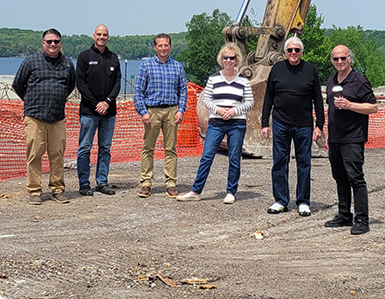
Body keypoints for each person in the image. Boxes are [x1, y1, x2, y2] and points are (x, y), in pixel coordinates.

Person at [177, 43, 254, 204]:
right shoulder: (214, 78)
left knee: (234, 158)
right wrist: (218, 110)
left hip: (237, 123)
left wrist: (234, 111)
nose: (228, 60)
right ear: (221, 59)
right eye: (225, 57)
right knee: (207, 156)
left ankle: (231, 192)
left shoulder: (243, 80)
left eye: (232, 58)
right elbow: (207, 99)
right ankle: (196, 191)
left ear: (236, 60)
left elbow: (249, 102)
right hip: (216, 123)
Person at [261, 36, 324, 217]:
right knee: (279, 163)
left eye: (297, 50)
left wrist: (319, 125)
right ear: (285, 53)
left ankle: (303, 201)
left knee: (304, 163)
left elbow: (318, 100)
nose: (293, 53)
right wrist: (265, 123)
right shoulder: (277, 69)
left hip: (303, 125)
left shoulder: (310, 70)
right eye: (290, 50)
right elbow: (268, 98)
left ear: (301, 52)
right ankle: (281, 200)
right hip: (280, 123)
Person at [12, 29, 76, 205]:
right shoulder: (31, 62)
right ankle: (34, 191)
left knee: (57, 155)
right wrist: (32, 100)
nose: (53, 44)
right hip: (35, 117)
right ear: (43, 43)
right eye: (49, 41)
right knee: (34, 154)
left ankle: (57, 189)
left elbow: (70, 85)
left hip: (57, 117)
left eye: (56, 41)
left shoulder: (67, 64)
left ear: (60, 43)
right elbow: (18, 84)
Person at [324, 45, 378, 235]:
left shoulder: (359, 80)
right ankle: (344, 214)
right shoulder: (332, 80)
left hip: (353, 138)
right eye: (336, 59)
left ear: (350, 59)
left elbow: (373, 107)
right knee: (340, 177)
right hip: (335, 138)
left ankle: (362, 219)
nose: (339, 62)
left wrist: (350, 105)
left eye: (343, 58)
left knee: (356, 178)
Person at [133, 33, 187, 198]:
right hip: (152, 112)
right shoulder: (146, 66)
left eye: (166, 45)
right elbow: (138, 91)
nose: (163, 48)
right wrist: (143, 112)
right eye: (160, 45)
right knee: (148, 148)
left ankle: (170, 183)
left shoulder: (177, 67)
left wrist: (181, 110)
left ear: (170, 46)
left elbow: (183, 90)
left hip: (171, 111)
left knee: (170, 149)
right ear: (155, 47)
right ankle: (146, 183)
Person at [76, 24, 121, 197]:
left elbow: (117, 82)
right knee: (85, 148)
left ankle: (102, 182)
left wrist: (107, 102)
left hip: (109, 113)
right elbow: (80, 83)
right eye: (99, 34)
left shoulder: (113, 58)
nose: (102, 37)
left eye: (105, 35)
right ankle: (84, 184)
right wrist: (96, 103)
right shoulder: (84, 56)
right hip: (89, 111)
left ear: (108, 37)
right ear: (93, 36)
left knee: (105, 148)